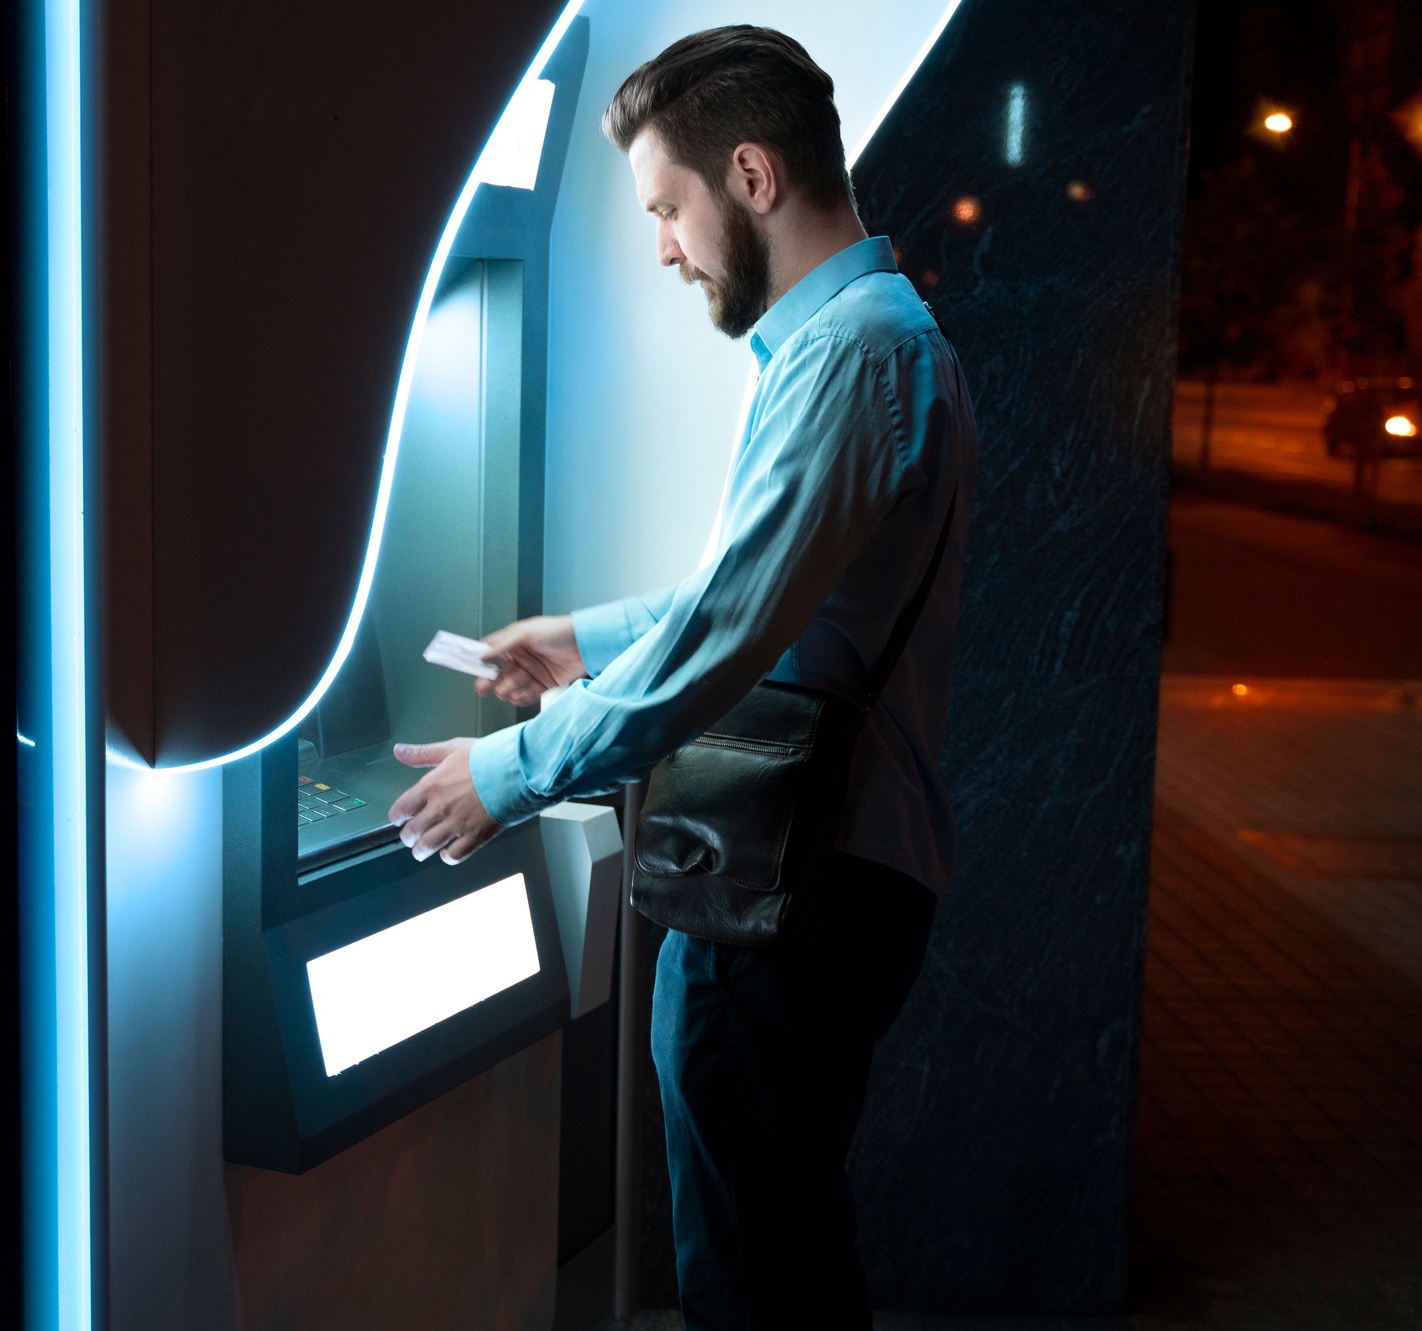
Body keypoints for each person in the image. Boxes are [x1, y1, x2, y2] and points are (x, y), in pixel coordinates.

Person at [388, 25, 977, 1329]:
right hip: (829, 880)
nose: (662, 245)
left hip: (794, 892)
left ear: (753, 177)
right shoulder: (876, 342)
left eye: (668, 206)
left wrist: (509, 771)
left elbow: (728, 640)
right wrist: (584, 640)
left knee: (752, 1269)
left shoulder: (853, 358)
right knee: (781, 1239)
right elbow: (766, 598)